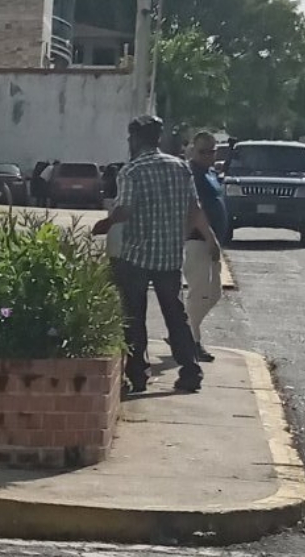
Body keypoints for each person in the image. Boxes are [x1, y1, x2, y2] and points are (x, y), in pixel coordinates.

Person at [90, 115, 212, 395]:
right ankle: (190, 371)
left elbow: (125, 210)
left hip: (137, 254)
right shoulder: (180, 167)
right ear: (157, 139)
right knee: (175, 314)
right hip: (169, 254)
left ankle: (137, 375)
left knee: (133, 315)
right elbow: (193, 208)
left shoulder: (132, 171)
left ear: (135, 139)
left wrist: (106, 224)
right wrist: (207, 237)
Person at [181, 130, 236, 336]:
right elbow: (196, 210)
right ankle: (190, 339)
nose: (208, 156)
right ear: (193, 151)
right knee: (200, 293)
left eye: (212, 151)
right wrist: (209, 238)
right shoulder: (191, 174)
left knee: (214, 293)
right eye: (203, 152)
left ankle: (183, 330)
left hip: (212, 242)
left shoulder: (210, 173)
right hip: (198, 240)